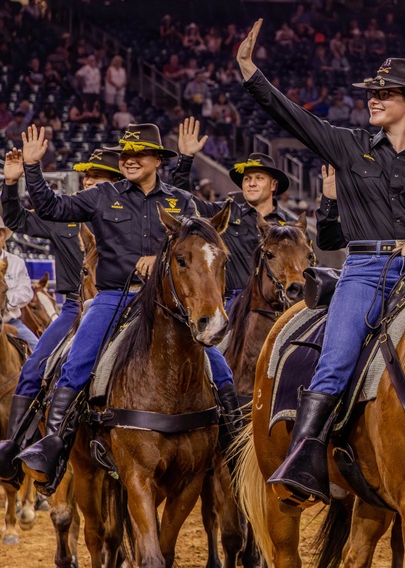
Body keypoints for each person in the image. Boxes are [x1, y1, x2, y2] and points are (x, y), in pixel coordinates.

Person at [237, 20, 405, 507]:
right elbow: (292, 116)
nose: (375, 98)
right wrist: (251, 72)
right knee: (335, 362)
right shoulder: (348, 144)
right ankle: (305, 460)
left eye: (386, 93)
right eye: (373, 92)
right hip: (364, 271)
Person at [13, 124, 242, 494]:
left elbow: (193, 245)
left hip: (167, 302)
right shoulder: (102, 194)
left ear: (156, 160)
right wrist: (33, 168)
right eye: (125, 154)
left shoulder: (180, 201)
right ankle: (52, 446)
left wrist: (160, 258)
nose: (130, 160)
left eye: (139, 154)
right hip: (114, 296)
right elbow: (51, 207)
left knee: (220, 369)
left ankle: (233, 449)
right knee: (76, 363)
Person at [0, 148, 124, 485]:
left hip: (126, 303)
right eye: (86, 177)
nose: (88, 183)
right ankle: (13, 451)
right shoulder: (64, 218)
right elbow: (17, 220)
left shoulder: (129, 218)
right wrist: (11, 184)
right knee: (32, 368)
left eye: (96, 178)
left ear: (115, 184)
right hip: (74, 308)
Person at [173, 118, 305, 306]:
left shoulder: (291, 225)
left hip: (277, 304)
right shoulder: (224, 212)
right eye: (247, 178)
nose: (251, 183)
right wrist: (185, 159)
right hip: (233, 302)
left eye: (259, 178)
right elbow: (181, 202)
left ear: (273, 185)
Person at [1, 219, 34, 350]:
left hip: (12, 322)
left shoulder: (16, 263)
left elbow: (26, 292)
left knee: (38, 350)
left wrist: (5, 301)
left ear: (3, 236)